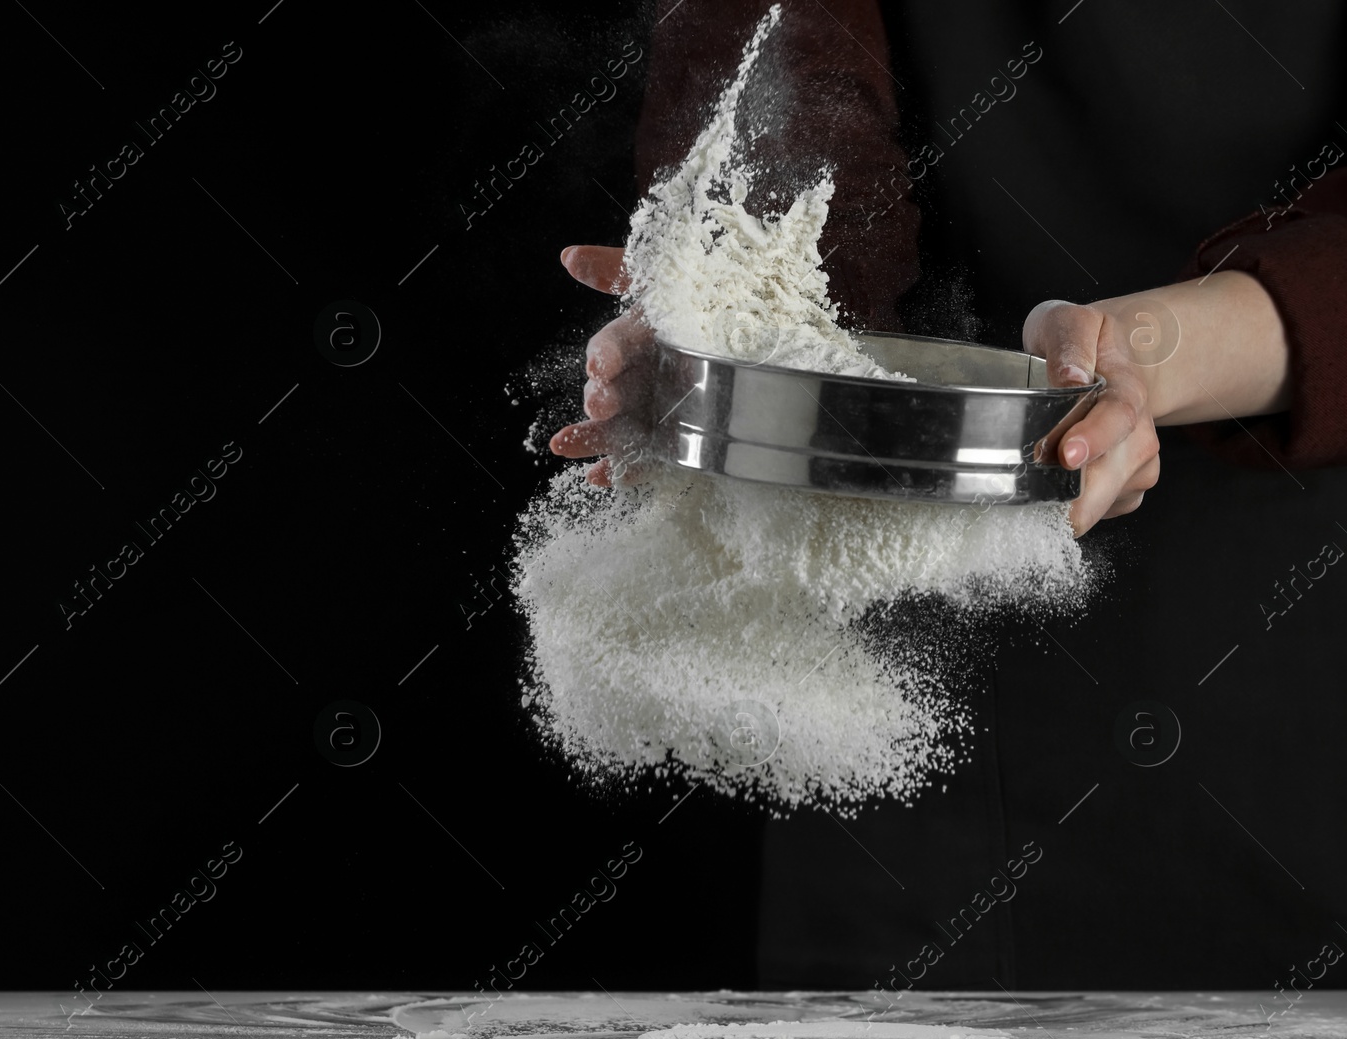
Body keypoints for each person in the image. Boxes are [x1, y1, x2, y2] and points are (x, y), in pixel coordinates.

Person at [548, 0, 1347, 988]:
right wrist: (748, 324)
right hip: (909, 686)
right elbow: (781, 73)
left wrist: (1136, 357)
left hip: (1292, 658)